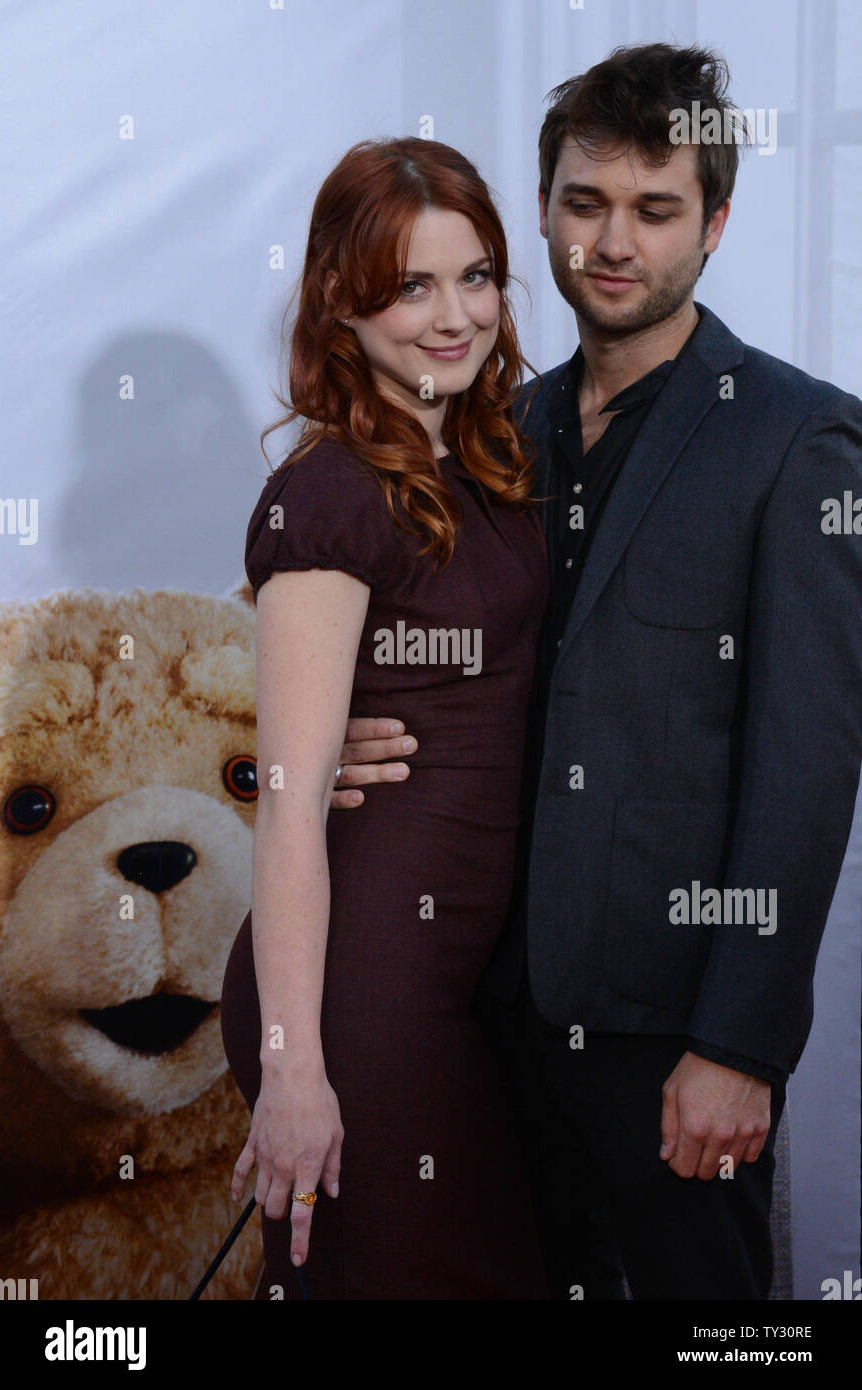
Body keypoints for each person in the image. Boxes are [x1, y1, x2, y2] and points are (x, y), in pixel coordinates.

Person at [333, 43, 862, 1299]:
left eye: (655, 207)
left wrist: (740, 1042)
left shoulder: (802, 439)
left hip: (668, 1023)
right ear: (546, 211)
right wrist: (348, 730)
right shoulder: (488, 429)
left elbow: (807, 766)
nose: (613, 239)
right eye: (585, 203)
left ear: (716, 223)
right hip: (480, 1002)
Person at [219, 136, 550, 1299]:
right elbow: (293, 802)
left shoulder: (483, 456)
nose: (454, 315)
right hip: (359, 992)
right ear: (338, 300)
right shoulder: (329, 493)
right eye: (411, 285)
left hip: (451, 975)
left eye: (476, 275)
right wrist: (294, 1070)